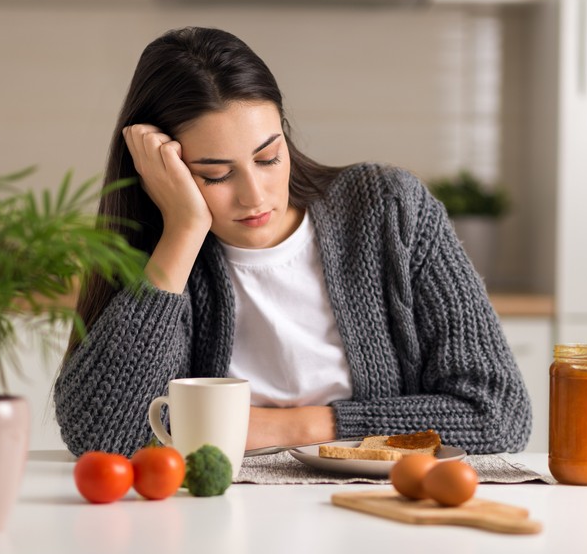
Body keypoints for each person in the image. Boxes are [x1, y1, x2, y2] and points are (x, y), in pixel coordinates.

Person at [53, 26, 532, 458]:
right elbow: (104, 438)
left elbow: (496, 415)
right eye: (215, 175)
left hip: (378, 522)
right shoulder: (159, 252)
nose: (255, 195)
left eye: (268, 157)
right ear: (165, 174)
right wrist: (182, 230)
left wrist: (288, 426)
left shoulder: (389, 211)